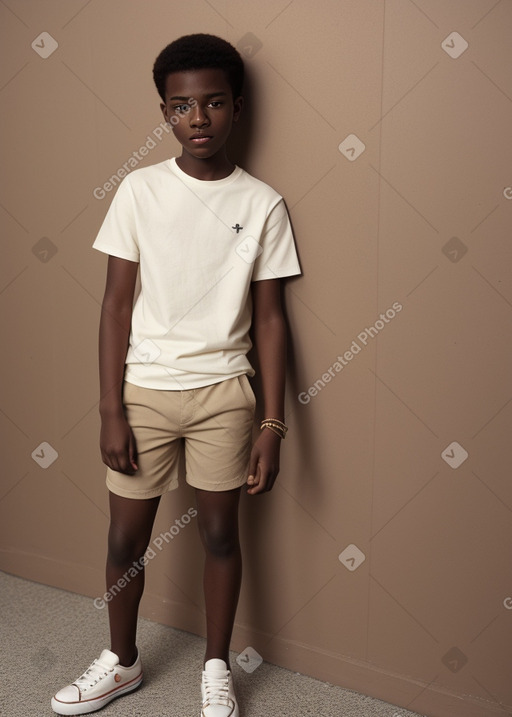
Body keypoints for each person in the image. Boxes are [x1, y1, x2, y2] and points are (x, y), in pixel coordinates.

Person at [51, 33, 300, 717]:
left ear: (237, 108)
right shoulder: (138, 191)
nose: (198, 119)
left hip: (225, 397)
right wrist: (110, 408)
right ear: (164, 112)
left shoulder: (263, 204)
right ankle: (123, 661)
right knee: (124, 537)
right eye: (181, 106)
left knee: (221, 535)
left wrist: (272, 423)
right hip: (144, 395)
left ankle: (216, 666)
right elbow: (114, 304)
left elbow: (273, 321)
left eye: (214, 102)